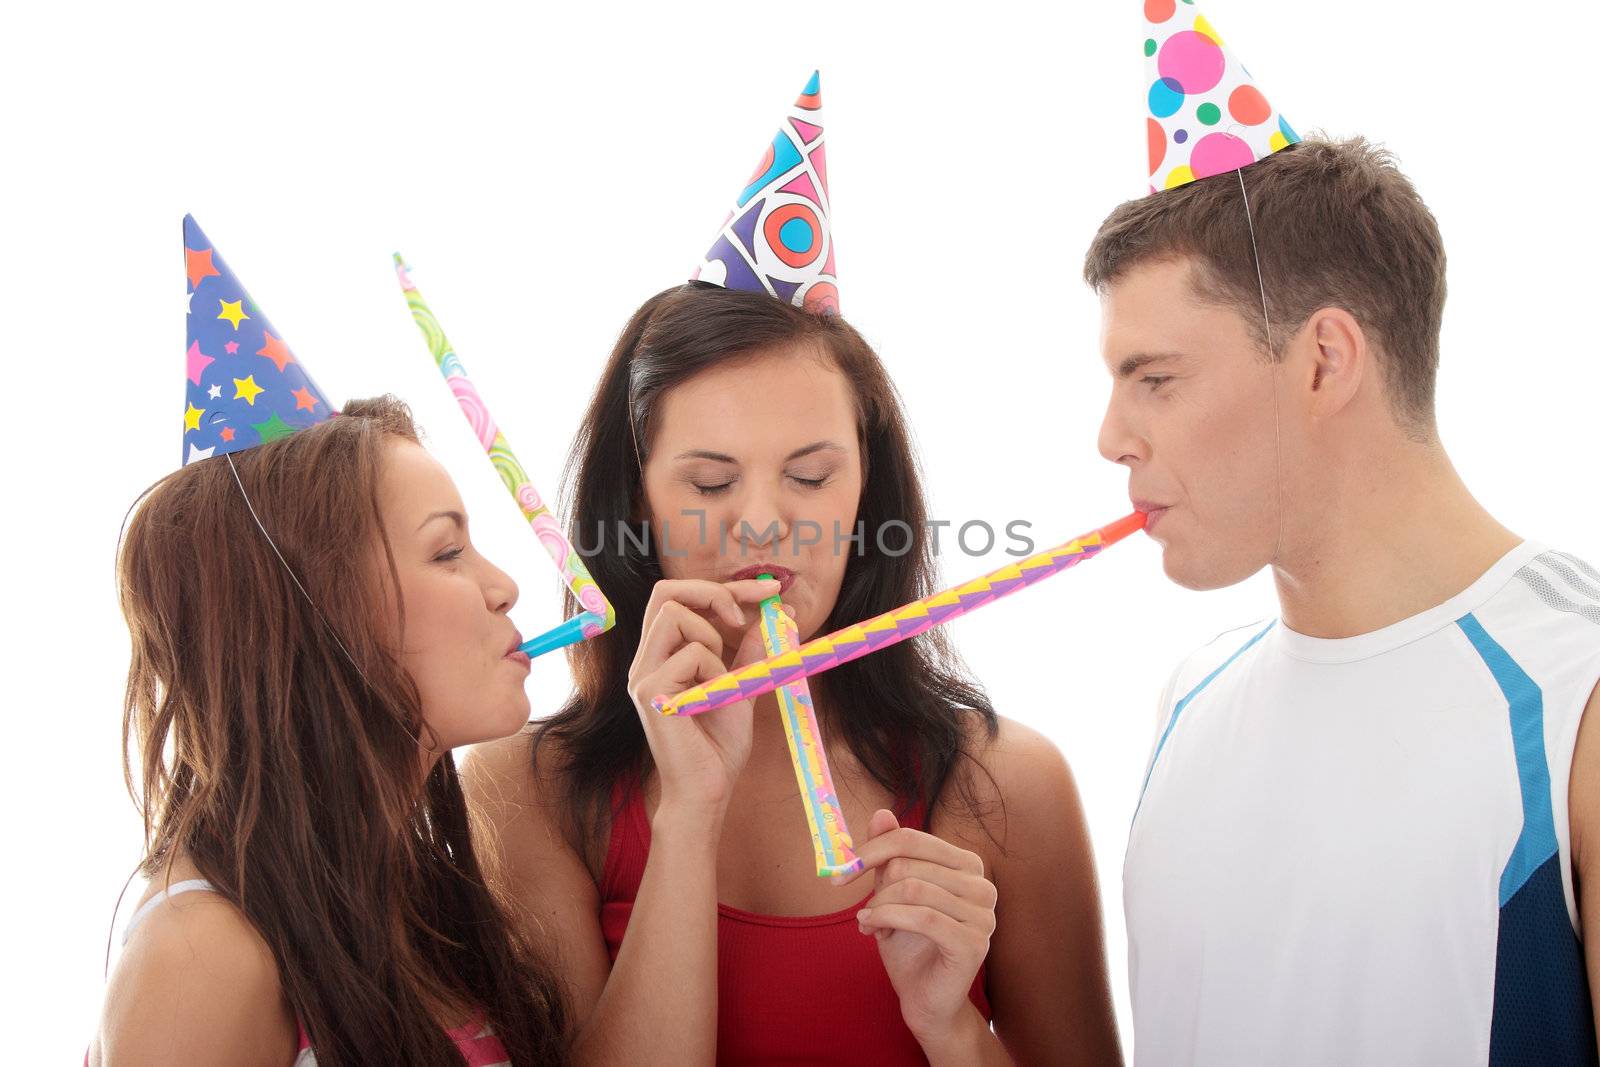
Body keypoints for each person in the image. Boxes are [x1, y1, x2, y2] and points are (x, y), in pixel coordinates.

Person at [465, 75, 1122, 1066]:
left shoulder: (1008, 783)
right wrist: (686, 815)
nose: (763, 523)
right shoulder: (524, 787)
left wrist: (953, 1026)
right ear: (633, 503)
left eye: (811, 475)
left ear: (869, 492)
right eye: (710, 480)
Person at [1095, 5, 1600, 1064]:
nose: (1111, 438)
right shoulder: (1188, 699)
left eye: (1155, 380)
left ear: (1324, 359)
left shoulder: (1575, 703)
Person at [90, 219, 567, 1066]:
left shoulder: (421, 902)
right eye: (447, 550)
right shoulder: (202, 958)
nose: (504, 586)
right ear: (314, 613)